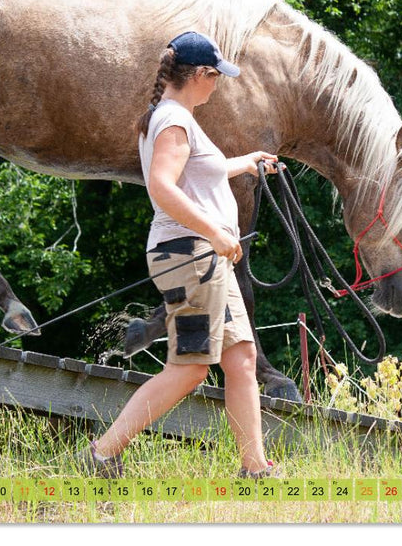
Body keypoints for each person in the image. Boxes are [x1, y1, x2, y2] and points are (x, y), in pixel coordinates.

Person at [79, 30, 278, 479]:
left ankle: (255, 468)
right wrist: (215, 231)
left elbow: (197, 175)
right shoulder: (174, 120)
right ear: (201, 74)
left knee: (242, 358)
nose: (219, 84)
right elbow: (162, 187)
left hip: (203, 257)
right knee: (190, 368)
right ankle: (104, 453)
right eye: (217, 76)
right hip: (191, 255)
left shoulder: (174, 116)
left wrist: (245, 162)